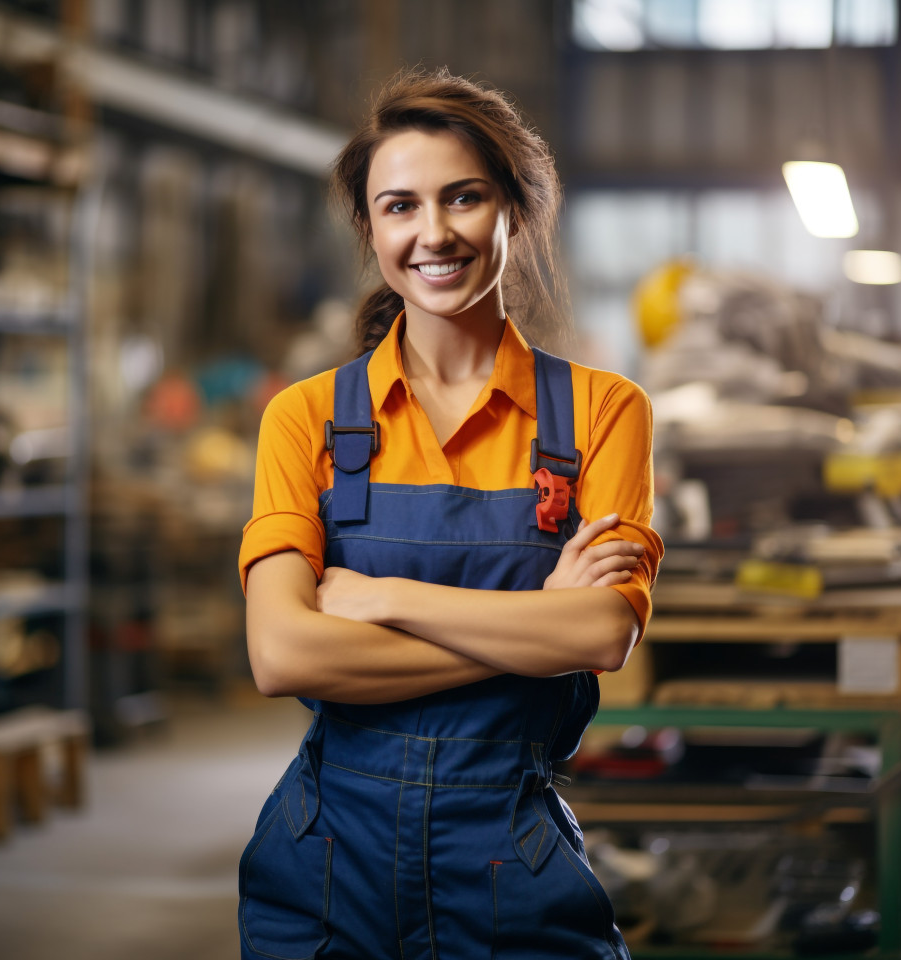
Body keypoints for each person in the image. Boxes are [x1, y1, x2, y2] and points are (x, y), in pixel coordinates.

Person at [237, 68, 663, 960]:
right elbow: (282, 654)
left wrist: (380, 598)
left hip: (510, 858)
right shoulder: (305, 417)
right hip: (323, 864)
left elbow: (598, 638)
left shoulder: (603, 413)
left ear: (516, 208)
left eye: (463, 197)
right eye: (400, 206)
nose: (433, 233)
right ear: (370, 226)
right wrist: (531, 624)